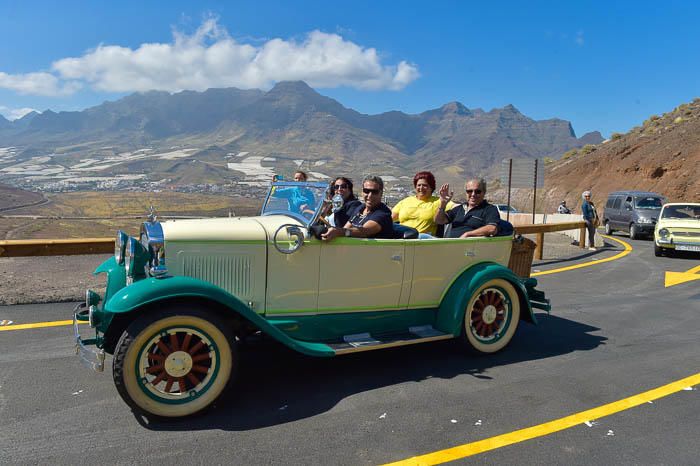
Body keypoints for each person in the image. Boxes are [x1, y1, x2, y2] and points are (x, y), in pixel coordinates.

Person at [322, 175, 393, 240]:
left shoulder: (383, 213)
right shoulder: (361, 208)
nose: (370, 195)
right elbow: (346, 227)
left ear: (381, 193)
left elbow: (364, 231)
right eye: (366, 191)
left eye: (374, 192)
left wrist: (339, 232)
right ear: (362, 192)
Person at [392, 171, 455, 237]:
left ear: (431, 187)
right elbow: (389, 219)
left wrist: (443, 203)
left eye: (425, 185)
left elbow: (459, 209)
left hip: (423, 238)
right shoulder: (405, 202)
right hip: (403, 237)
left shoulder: (440, 201)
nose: (421, 188)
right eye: (419, 185)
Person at [434, 178, 500, 238]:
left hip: (471, 247)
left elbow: (492, 228)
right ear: (466, 192)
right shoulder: (459, 209)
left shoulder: (489, 209)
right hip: (451, 245)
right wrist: (443, 203)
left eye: (478, 191)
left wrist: (468, 234)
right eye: (470, 191)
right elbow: (439, 220)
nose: (473, 194)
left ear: (484, 192)